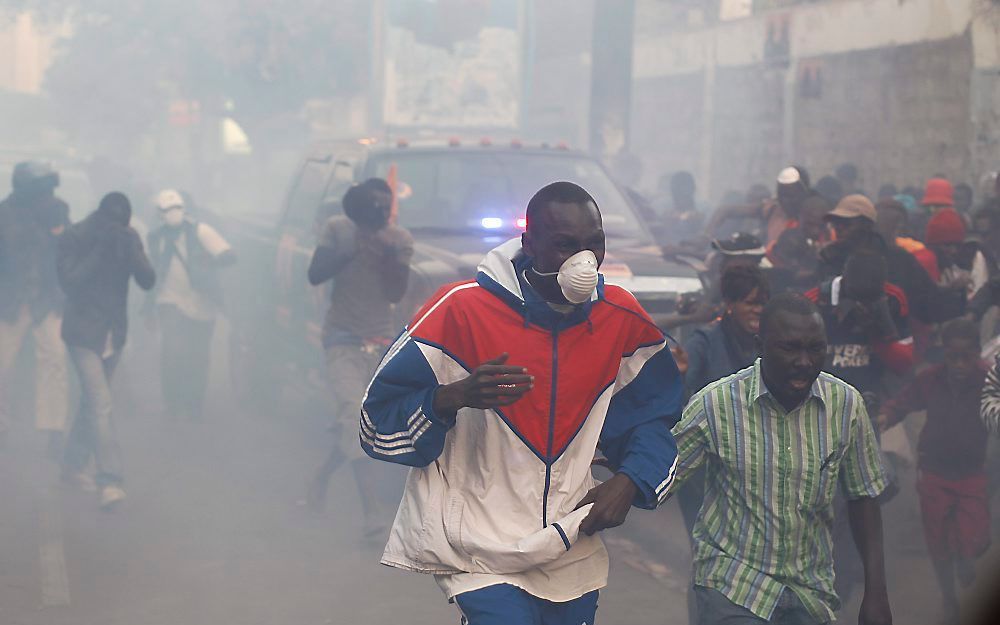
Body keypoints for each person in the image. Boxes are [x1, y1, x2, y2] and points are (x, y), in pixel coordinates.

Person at [360, 181, 683, 624]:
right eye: (565, 245)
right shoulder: (459, 311)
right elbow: (376, 423)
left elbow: (655, 418)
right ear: (529, 244)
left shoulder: (621, 317)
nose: (583, 261)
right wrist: (454, 396)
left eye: (594, 244)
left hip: (571, 542)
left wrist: (630, 480)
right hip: (476, 546)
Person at [670, 293, 892, 625]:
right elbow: (663, 473)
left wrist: (876, 593)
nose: (804, 361)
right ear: (761, 346)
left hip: (810, 592)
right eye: (790, 348)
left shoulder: (845, 405)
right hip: (734, 586)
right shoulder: (716, 404)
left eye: (815, 348)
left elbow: (863, 497)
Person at [304, 178, 414, 532]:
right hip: (342, 339)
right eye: (374, 206)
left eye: (387, 206)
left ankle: (320, 478)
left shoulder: (400, 240)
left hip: (381, 342)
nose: (381, 213)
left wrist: (388, 258)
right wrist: (351, 251)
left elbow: (397, 291)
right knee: (355, 416)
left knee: (363, 425)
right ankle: (372, 512)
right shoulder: (338, 229)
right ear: (357, 207)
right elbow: (315, 274)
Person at [879, 319, 989, 622]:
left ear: (978, 353)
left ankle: (966, 555)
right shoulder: (930, 379)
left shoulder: (988, 380)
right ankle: (948, 597)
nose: (959, 364)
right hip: (934, 470)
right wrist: (885, 416)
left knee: (975, 537)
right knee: (938, 542)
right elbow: (902, 402)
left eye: (966, 357)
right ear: (944, 355)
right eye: (952, 357)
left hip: (971, 472)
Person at [57, 192, 155, 509]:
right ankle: (110, 481)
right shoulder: (76, 236)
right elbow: (69, 282)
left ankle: (72, 465)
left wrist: (133, 247)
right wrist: (99, 249)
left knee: (91, 404)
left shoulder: (127, 237)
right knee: (101, 404)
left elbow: (148, 280)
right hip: (83, 333)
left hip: (114, 332)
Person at [146, 189, 236, 420]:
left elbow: (228, 255)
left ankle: (194, 403)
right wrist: (149, 306)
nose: (172, 215)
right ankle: (173, 404)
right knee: (172, 353)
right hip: (170, 301)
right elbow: (153, 273)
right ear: (159, 214)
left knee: (198, 356)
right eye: (167, 211)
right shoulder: (155, 238)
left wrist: (208, 262)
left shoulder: (202, 232)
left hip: (202, 303)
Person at [0, 162, 71, 452]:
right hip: (10, 299)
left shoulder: (57, 210)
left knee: (55, 359)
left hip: (47, 297)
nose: (50, 194)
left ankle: (53, 426)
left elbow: (66, 248)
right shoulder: (5, 214)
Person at [820, 194, 966, 324]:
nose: (838, 228)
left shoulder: (899, 260)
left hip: (886, 346)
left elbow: (928, 306)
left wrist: (958, 295)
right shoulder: (829, 259)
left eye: (846, 223)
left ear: (866, 226)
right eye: (835, 223)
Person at [805, 250, 914, 397]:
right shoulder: (816, 301)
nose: (861, 303)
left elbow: (904, 365)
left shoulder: (894, 299)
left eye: (869, 297)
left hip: (874, 390)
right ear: (844, 279)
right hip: (824, 390)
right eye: (856, 295)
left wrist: (878, 331)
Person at [705, 166, 812, 245]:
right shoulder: (772, 209)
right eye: (781, 195)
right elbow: (725, 210)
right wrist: (706, 235)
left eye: (791, 196)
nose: (785, 201)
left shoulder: (813, 218)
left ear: (804, 193)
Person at [925, 208, 990, 300]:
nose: (953, 250)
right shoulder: (922, 263)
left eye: (957, 245)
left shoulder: (954, 268)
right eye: (947, 245)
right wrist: (949, 288)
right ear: (932, 244)